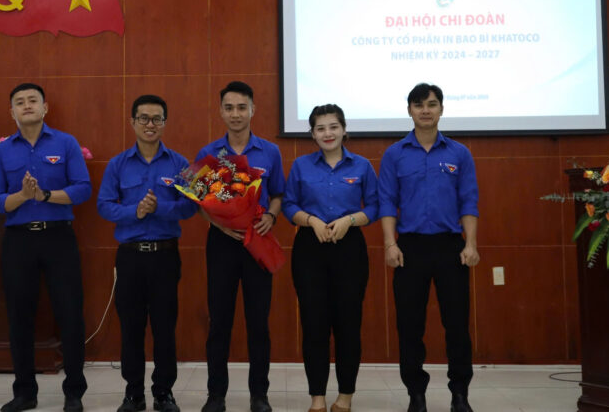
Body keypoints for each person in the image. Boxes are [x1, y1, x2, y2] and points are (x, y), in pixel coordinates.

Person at [0, 83, 92, 412]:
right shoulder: (3, 151)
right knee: (19, 316)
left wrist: (44, 195)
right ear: (12, 112)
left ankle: (74, 392)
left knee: (70, 314)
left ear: (45, 107)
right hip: (18, 241)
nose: (27, 105)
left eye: (33, 100)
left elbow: (83, 189)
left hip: (58, 238)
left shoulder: (65, 143)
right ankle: (24, 392)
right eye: (20, 102)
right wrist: (22, 196)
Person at [378, 83, 480, 412]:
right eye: (419, 105)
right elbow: (387, 202)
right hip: (409, 248)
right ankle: (416, 394)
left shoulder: (459, 153)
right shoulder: (394, 154)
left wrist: (471, 244)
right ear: (409, 110)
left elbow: (469, 200)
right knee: (410, 326)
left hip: (451, 247)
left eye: (432, 104)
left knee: (457, 325)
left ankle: (460, 393)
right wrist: (390, 244)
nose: (425, 110)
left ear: (441, 109)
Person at [97, 94, 199, 412]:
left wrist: (160, 208)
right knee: (131, 328)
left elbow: (192, 205)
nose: (150, 124)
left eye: (157, 118)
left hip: (165, 256)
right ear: (133, 122)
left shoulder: (181, 164)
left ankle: (163, 392)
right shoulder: (117, 164)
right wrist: (136, 212)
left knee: (164, 328)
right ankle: (133, 393)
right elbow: (104, 205)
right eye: (143, 118)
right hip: (130, 256)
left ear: (165, 123)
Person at [282, 104, 377, 412]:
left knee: (348, 325)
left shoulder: (362, 166)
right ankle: (317, 398)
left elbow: (375, 206)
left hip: (350, 250)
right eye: (320, 128)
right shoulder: (301, 166)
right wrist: (311, 221)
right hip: (310, 249)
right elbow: (288, 205)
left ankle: (345, 396)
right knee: (314, 325)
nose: (328, 133)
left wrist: (350, 220)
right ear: (312, 134)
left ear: (344, 129)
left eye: (333, 126)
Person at [197, 81, 285, 412]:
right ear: (221, 111)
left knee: (258, 323)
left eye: (242, 107)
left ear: (252, 110)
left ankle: (259, 394)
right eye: (229, 108)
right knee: (219, 322)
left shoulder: (270, 151)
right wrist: (218, 223)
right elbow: (199, 200)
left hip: (257, 240)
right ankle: (215, 394)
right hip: (221, 243)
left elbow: (278, 194)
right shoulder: (209, 153)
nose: (236, 114)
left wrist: (271, 217)